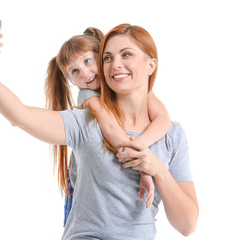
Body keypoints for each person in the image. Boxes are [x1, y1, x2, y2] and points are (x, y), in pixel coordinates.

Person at [0, 23, 198, 239]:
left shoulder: (171, 134)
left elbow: (187, 226)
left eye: (126, 54)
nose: (115, 64)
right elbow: (20, 116)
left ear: (151, 65)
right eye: (108, 58)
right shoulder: (86, 119)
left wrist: (155, 168)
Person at [44, 27, 171, 225]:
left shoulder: (125, 85)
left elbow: (163, 119)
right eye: (75, 72)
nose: (85, 73)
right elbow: (111, 129)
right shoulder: (88, 96)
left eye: (88, 61)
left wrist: (140, 145)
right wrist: (143, 166)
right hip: (84, 194)